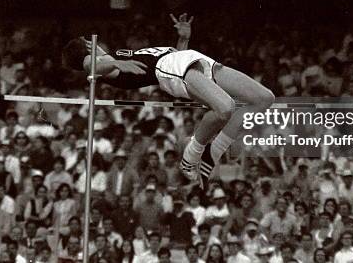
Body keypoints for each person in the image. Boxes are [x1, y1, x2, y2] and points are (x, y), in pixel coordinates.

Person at [62, 14, 275, 187]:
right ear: (87, 48)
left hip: (188, 60)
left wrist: (183, 39)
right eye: (89, 42)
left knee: (264, 98)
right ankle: (192, 156)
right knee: (225, 108)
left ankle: (213, 150)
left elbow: (175, 63)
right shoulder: (99, 62)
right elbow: (93, 67)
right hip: (170, 69)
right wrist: (118, 64)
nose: (95, 42)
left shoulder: (114, 55)